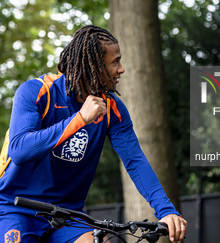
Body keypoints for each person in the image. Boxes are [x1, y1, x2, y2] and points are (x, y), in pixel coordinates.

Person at [0, 25, 187, 243]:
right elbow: (20, 149)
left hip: (65, 215)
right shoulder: (36, 91)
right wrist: (80, 119)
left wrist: (166, 210)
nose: (122, 69)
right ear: (95, 66)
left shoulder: (112, 109)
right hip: (15, 208)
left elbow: (135, 161)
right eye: (115, 61)